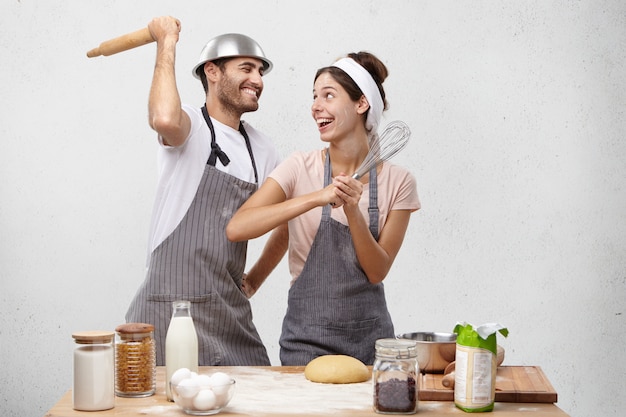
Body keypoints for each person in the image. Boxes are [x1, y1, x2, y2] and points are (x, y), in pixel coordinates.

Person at [226, 51, 421, 365]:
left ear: (361, 104)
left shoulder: (399, 183)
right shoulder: (299, 167)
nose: (316, 106)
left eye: (328, 95)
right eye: (314, 96)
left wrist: (353, 210)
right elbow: (238, 227)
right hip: (304, 345)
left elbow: (377, 271)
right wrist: (317, 197)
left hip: (371, 347)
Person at [125, 16, 287, 366]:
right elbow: (164, 119)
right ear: (212, 72)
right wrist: (166, 41)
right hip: (168, 311)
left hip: (228, 313)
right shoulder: (190, 125)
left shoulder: (264, 150)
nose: (258, 80)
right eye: (247, 68)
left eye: (261, 72)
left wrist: (255, 278)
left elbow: (287, 220)